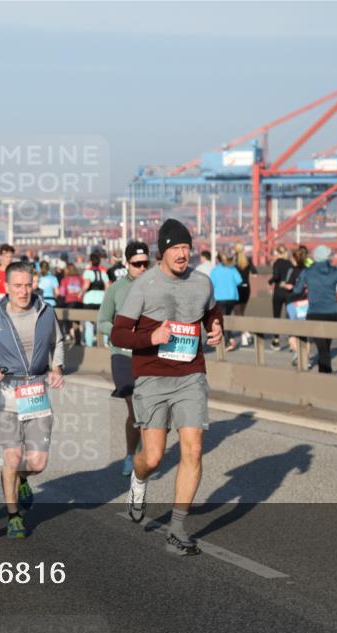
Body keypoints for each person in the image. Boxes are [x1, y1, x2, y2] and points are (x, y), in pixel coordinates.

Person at [111, 219, 223, 556]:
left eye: (186, 247)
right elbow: (118, 334)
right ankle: (139, 479)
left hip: (190, 375)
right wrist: (151, 337)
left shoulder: (202, 283)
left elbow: (212, 315)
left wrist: (217, 328)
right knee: (154, 457)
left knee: (193, 448)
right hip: (152, 376)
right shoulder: (143, 286)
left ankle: (177, 528)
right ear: (163, 251)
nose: (182, 254)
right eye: (175, 248)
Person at [0, 261, 65, 538]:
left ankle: (22, 479)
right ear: (6, 287)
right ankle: (13, 516)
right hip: (6, 394)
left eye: (28, 285)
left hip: (36, 393)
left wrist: (57, 367)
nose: (23, 291)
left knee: (37, 463)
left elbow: (58, 343)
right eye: (17, 286)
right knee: (12, 457)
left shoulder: (46, 312)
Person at [97, 241, 149, 476]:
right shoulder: (116, 289)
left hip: (148, 355)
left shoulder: (157, 287)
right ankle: (131, 454)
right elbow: (102, 322)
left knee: (150, 411)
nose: (142, 268)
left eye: (146, 264)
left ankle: (145, 448)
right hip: (123, 356)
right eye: (137, 264)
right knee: (134, 408)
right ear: (127, 264)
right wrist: (122, 333)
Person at [293, 245, 337, 374]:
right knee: (326, 346)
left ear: (314, 256)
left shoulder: (307, 272)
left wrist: (308, 289)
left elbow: (297, 290)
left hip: (315, 313)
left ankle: (325, 374)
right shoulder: (335, 271)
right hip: (333, 313)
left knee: (322, 348)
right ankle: (324, 372)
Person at [210, 252, 243, 351]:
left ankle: (229, 340)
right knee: (226, 318)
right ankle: (227, 339)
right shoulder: (232, 268)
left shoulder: (214, 271)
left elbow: (211, 284)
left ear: (218, 260)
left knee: (221, 320)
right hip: (232, 298)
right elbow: (239, 281)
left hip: (219, 298)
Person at [283, 246, 310, 363]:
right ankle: (306, 359)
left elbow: (289, 286)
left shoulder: (293, 271)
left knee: (291, 332)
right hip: (306, 303)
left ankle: (298, 354)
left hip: (293, 303)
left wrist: (284, 285)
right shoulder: (309, 271)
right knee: (305, 333)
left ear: (295, 258)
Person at [267, 245, 293, 349]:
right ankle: (292, 341)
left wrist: (270, 281)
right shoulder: (290, 263)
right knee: (290, 316)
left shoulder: (277, 263)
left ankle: (276, 340)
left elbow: (276, 276)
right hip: (289, 292)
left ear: (278, 253)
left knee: (276, 315)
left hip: (278, 292)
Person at [232, 243, 258, 347]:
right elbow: (255, 273)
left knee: (237, 313)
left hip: (237, 288)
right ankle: (244, 337)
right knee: (242, 312)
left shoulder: (234, 260)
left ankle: (245, 332)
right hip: (246, 287)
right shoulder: (248, 259)